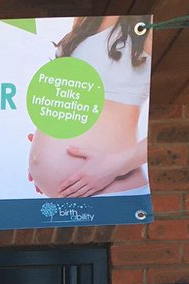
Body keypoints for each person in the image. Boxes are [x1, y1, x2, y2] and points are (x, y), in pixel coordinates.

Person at [27, 16, 152, 198]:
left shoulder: (145, 24)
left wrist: (114, 167)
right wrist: (44, 151)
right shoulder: (87, 19)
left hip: (112, 190)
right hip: (68, 194)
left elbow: (170, 131)